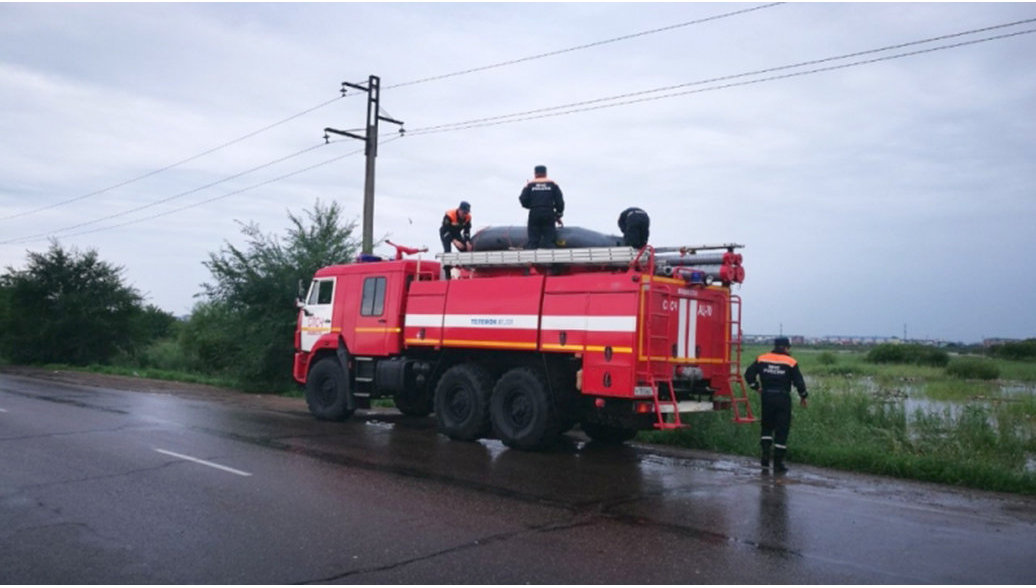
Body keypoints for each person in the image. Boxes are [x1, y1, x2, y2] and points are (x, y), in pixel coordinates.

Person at [744, 336, 808, 473]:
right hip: (782, 397)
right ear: (786, 347)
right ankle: (778, 464)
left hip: (766, 397)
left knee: (766, 427)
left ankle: (765, 458)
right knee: (782, 429)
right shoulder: (790, 362)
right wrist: (803, 396)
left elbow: (748, 374)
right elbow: (799, 382)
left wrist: (756, 387)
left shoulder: (762, 358)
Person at [519, 165, 564, 249]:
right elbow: (559, 201)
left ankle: (530, 260)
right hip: (548, 212)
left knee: (533, 241)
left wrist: (531, 206)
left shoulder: (530, 184)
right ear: (545, 173)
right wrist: (558, 214)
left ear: (535, 174)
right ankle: (554, 261)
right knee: (549, 240)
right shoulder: (553, 184)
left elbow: (522, 199)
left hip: (534, 212)